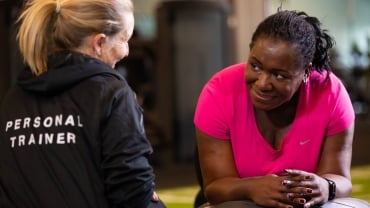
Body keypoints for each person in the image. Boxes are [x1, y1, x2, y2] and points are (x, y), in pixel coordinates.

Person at [194, 9, 370, 208]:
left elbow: (341, 180)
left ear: (306, 72)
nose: (262, 83)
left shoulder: (331, 94)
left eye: (279, 75)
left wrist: (325, 186)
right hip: (243, 201)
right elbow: (215, 188)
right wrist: (252, 187)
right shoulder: (219, 92)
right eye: (256, 66)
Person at [0, 0, 165, 207]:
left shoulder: (13, 98)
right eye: (124, 40)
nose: (127, 51)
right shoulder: (111, 94)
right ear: (99, 43)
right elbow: (132, 192)